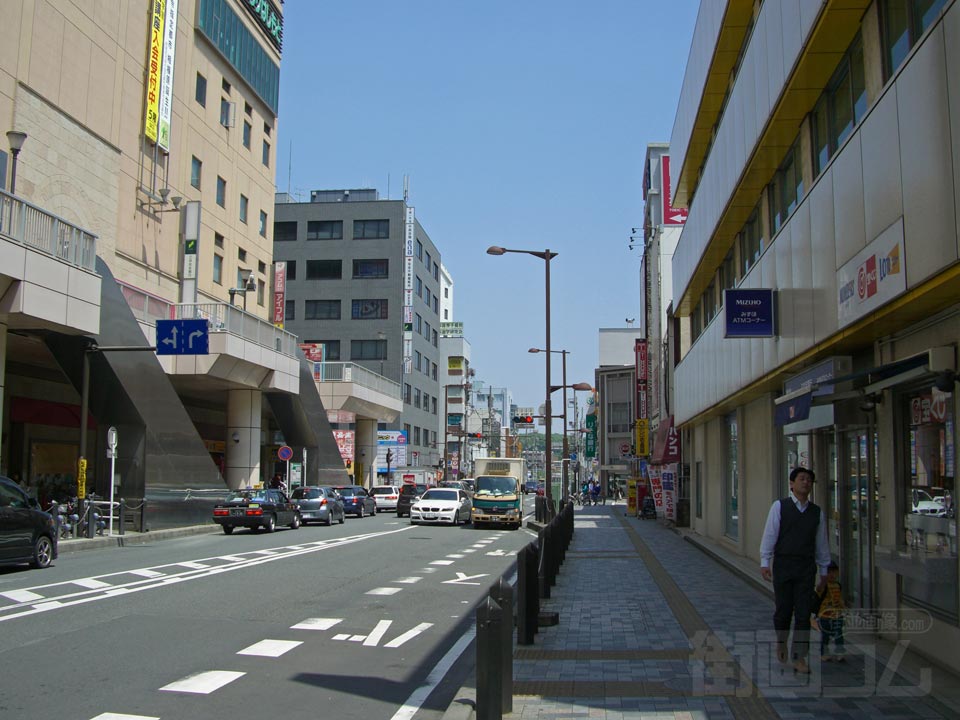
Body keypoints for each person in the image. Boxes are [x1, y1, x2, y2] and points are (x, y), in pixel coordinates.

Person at [759, 466, 830, 674]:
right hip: (783, 565)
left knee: (803, 613)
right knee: (783, 610)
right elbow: (770, 535)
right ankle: (781, 641)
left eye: (809, 479)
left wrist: (824, 570)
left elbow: (821, 544)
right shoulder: (780, 507)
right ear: (792, 484)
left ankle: (799, 656)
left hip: (805, 568)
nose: (805, 482)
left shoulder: (817, 513)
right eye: (801, 479)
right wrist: (765, 561)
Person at [814, 561, 845, 662]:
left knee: (839, 634)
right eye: (829, 572)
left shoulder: (838, 585)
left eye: (834, 572)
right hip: (824, 616)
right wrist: (822, 581)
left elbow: (840, 599)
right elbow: (818, 590)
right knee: (825, 636)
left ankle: (840, 652)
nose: (832, 575)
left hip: (836, 615)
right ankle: (824, 653)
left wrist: (843, 609)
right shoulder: (824, 586)